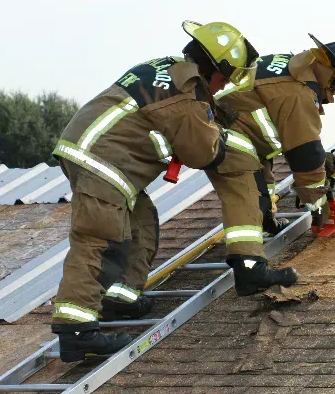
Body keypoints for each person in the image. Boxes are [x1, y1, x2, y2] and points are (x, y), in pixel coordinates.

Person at [51, 21, 260, 362]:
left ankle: (118, 296)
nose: (225, 86)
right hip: (104, 160)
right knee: (101, 240)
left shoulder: (166, 69)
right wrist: (224, 143)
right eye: (227, 77)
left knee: (141, 222)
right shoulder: (185, 93)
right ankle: (77, 330)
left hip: (95, 154)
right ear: (215, 68)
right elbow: (200, 151)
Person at [216, 34, 335, 294]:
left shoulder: (291, 67)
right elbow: (304, 155)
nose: (332, 96)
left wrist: (321, 159)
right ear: (330, 76)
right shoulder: (300, 92)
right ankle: (249, 270)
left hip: (238, 134)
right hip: (225, 133)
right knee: (248, 195)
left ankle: (266, 224)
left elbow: (291, 135)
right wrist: (319, 205)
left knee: (262, 185)